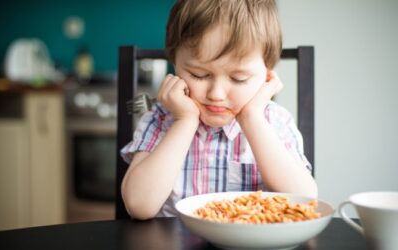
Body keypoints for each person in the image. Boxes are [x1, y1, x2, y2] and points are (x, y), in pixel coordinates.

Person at [121, 0, 318, 220]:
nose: (216, 93)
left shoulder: (275, 121)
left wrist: (252, 118)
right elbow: (139, 206)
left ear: (267, 75)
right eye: (198, 74)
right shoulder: (160, 118)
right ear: (174, 63)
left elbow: (306, 200)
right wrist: (184, 121)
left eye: (238, 78)